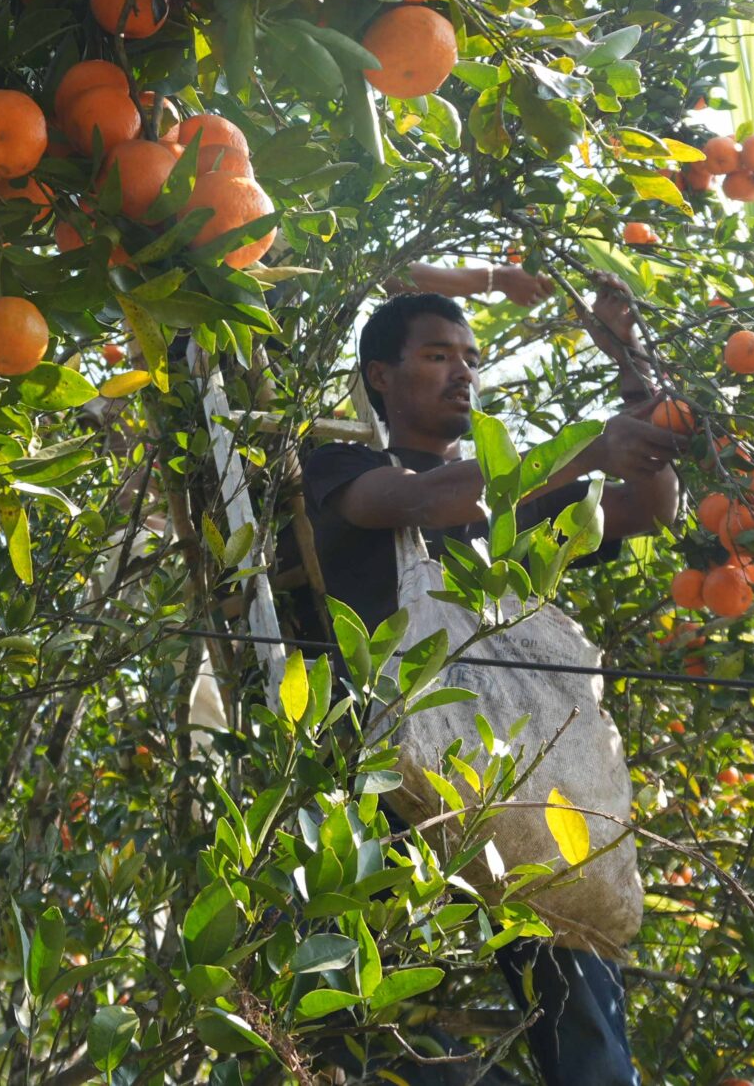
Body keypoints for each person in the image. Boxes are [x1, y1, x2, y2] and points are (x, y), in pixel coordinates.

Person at [289, 260, 681, 1086]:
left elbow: (651, 507)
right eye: (438, 353)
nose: (462, 370)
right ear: (381, 376)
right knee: (353, 1034)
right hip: (387, 783)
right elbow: (420, 501)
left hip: (512, 784)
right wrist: (585, 449)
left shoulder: (522, 500)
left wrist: (631, 363)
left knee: (590, 1044)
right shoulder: (338, 467)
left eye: (470, 356)